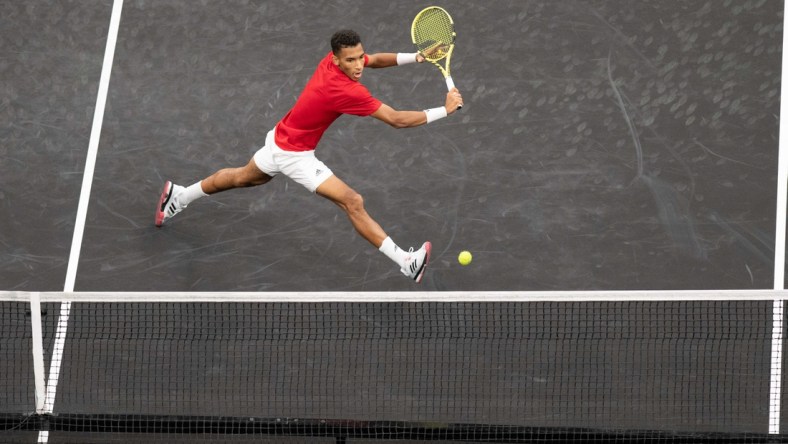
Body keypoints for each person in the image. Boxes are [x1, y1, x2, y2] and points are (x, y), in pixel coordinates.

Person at [155, 29, 463, 283]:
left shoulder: (333, 62)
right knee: (352, 201)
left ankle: (179, 196)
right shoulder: (345, 91)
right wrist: (444, 111)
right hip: (294, 155)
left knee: (241, 178)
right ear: (336, 60)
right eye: (351, 61)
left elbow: (375, 59)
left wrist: (418, 57)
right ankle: (406, 261)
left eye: (359, 57)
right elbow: (395, 119)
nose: (358, 65)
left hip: (280, 138)